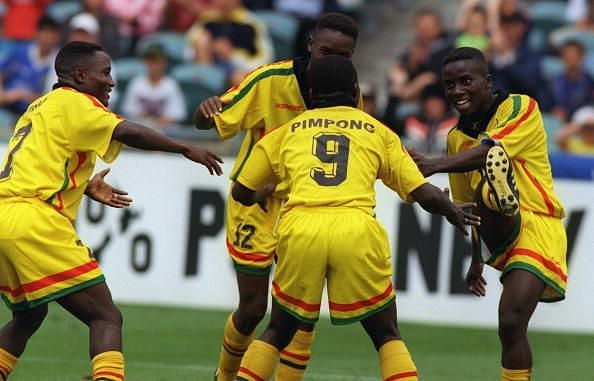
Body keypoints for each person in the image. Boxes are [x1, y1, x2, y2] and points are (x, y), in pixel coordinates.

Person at [230, 54, 480, 381]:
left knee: (277, 330)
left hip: (301, 227)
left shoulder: (286, 132)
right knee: (386, 333)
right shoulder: (378, 132)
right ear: (354, 89)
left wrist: (261, 194)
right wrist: (452, 209)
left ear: (314, 95)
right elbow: (422, 191)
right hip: (355, 228)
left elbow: (241, 192)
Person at [0, 41, 223, 381]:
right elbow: (127, 130)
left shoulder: (40, 106)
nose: (111, 82)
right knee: (106, 316)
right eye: (104, 73)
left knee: (29, 315)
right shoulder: (76, 102)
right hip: (33, 219)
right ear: (79, 75)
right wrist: (184, 146)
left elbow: (38, 163)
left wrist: (85, 185)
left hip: (5, 214)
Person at [194, 12, 360, 381]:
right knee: (252, 309)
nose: (334, 60)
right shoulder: (269, 80)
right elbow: (214, 120)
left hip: (306, 210)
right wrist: (204, 112)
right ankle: (224, 376)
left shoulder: (349, 91)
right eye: (327, 51)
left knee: (300, 313)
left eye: (344, 55)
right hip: (254, 204)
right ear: (310, 46)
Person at [410, 47, 567, 381]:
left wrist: (432, 164)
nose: (457, 91)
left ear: (487, 81)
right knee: (482, 191)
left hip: (537, 224)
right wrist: (476, 257)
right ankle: (498, 191)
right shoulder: (455, 138)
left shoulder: (520, 107)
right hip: (497, 227)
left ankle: (498, 189)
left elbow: (490, 149)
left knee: (510, 323)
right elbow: (467, 207)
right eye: (450, 84)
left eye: (466, 81)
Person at [0, 14, 61, 117]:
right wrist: (3, 94)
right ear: (36, 33)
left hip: (33, 112)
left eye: (52, 33)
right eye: (45, 32)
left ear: (57, 36)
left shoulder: (57, 61)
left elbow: (51, 97)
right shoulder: (21, 51)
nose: (48, 37)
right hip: (7, 107)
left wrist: (24, 95)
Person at [121, 44, 187, 131]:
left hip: (166, 133)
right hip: (141, 130)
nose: (155, 66)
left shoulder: (171, 85)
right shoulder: (136, 83)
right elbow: (129, 112)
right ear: (146, 62)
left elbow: (177, 115)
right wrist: (148, 121)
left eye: (158, 62)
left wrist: (156, 122)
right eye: (151, 62)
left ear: (165, 63)